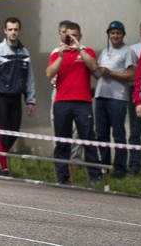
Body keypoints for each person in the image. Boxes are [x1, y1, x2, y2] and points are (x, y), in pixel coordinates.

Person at [46, 22, 102, 186]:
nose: (71, 38)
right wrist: (62, 56)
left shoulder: (87, 51)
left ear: (80, 36)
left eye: (75, 35)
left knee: (88, 138)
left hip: (82, 102)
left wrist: (79, 49)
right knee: (62, 140)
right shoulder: (58, 53)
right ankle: (62, 177)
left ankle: (94, 175)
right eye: (68, 35)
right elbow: (49, 73)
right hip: (62, 101)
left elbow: (94, 66)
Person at [0, 17, 36, 175]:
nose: (13, 32)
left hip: (16, 98)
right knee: (2, 131)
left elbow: (30, 78)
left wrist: (30, 100)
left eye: (16, 29)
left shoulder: (25, 52)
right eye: (10, 29)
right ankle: (3, 166)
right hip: (1, 98)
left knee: (14, 132)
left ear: (20, 31)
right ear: (5, 31)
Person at [94, 21, 137, 178]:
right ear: (108, 34)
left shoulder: (128, 52)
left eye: (118, 33)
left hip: (117, 99)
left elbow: (132, 75)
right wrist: (96, 71)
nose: (115, 35)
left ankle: (120, 169)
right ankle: (103, 167)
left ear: (123, 35)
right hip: (100, 97)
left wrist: (110, 73)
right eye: (112, 33)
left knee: (118, 134)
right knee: (101, 134)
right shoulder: (104, 52)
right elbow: (99, 73)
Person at [127, 19, 141, 175]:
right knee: (135, 131)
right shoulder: (132, 49)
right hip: (137, 94)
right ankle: (134, 166)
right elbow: (131, 75)